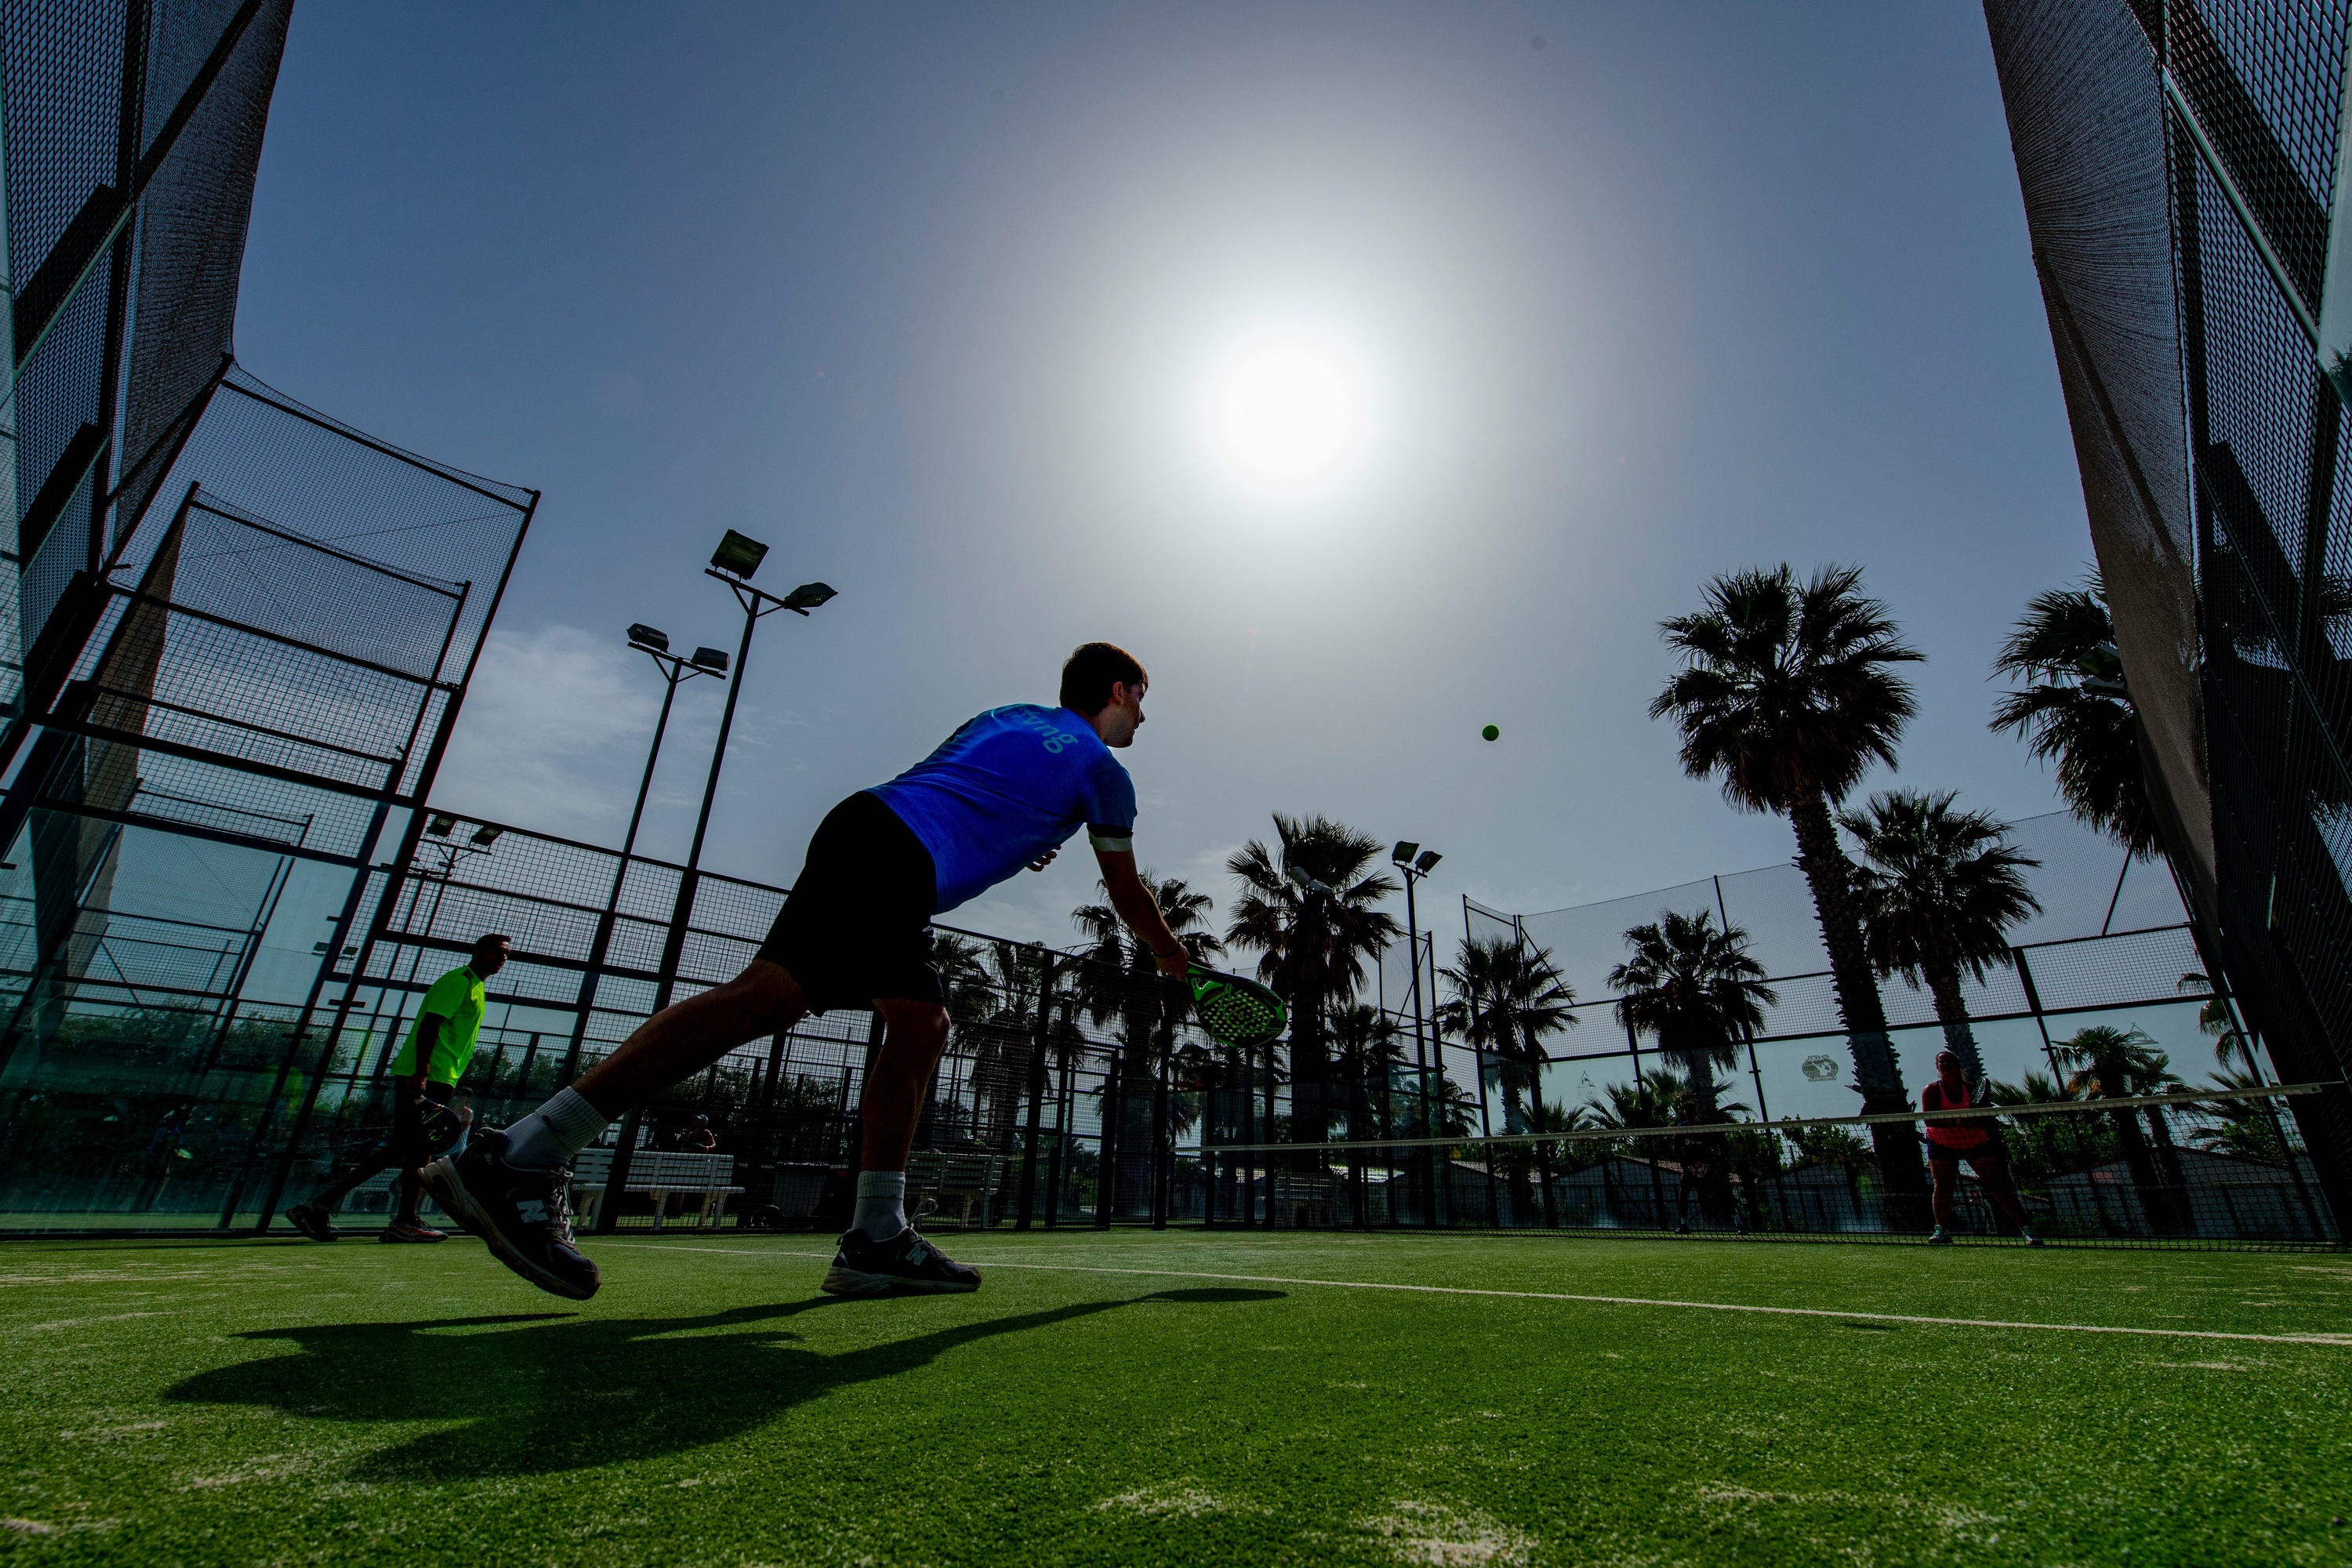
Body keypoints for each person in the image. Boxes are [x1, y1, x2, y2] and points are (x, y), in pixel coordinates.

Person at [426, 643, 1189, 1300]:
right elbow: (1123, 889)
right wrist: (1169, 954)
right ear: (1117, 692)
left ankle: (876, 1234)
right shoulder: (1103, 768)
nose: (1143, 721)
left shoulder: (1008, 717)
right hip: (897, 862)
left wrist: (1023, 828)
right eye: (1140, 702)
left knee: (918, 1023)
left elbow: (964, 785)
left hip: (867, 829)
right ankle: (525, 1151)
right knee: (767, 1000)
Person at [287, 934, 510, 1243]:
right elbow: (430, 1024)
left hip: (440, 1077)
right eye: (496, 952)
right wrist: (421, 1072)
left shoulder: (478, 988)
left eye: (506, 955)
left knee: (414, 1148)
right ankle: (387, 1217)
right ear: (478, 951)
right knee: (411, 1147)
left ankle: (371, 1215)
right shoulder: (458, 981)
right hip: (426, 1076)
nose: (502, 959)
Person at [1921, 1048, 2041, 1246]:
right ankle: (1941, 1231)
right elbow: (1930, 1120)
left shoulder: (1972, 1089)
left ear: (1958, 1065)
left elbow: (1986, 1119)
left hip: (1974, 1142)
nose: (1945, 1065)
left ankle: (2028, 1231)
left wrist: (1974, 1122)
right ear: (1937, 1068)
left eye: (1949, 1061)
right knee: (1943, 1186)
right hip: (1941, 1143)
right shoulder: (1932, 1090)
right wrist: (1959, 1122)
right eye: (1941, 1063)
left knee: (1998, 1185)